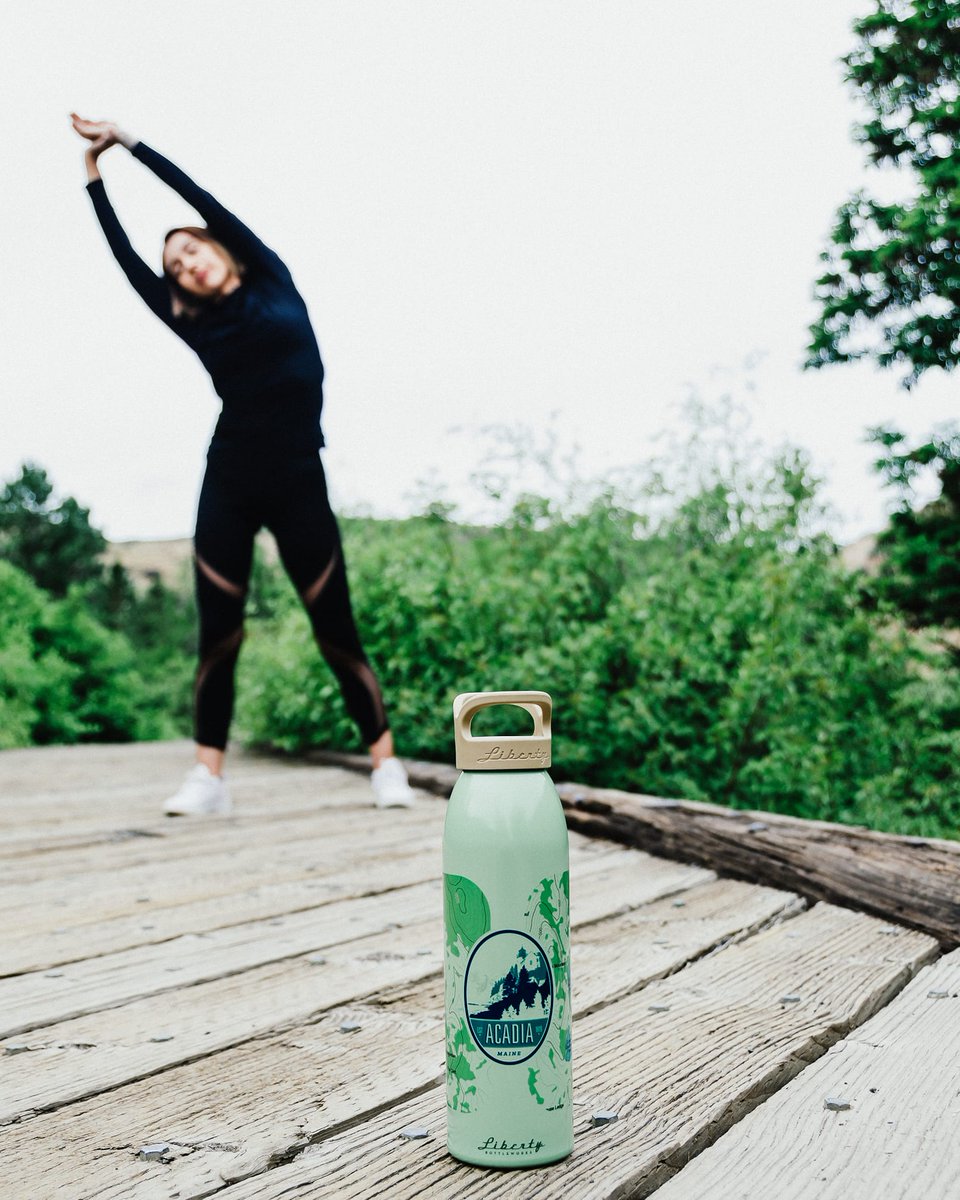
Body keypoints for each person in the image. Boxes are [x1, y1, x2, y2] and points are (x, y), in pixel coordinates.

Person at [71, 113, 414, 814]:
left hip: (297, 479)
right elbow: (124, 258)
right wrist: (92, 181)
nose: (184, 264)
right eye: (174, 267)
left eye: (190, 250)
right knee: (218, 634)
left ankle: (385, 766)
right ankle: (208, 778)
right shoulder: (188, 319)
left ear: (217, 248)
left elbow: (198, 194)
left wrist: (126, 142)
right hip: (229, 478)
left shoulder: (270, 276)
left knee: (336, 629)